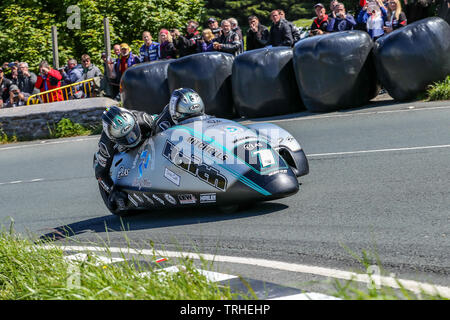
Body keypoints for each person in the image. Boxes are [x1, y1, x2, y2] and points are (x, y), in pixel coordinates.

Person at [94, 88, 205, 212]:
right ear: (113, 138)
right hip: (124, 156)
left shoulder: (144, 119)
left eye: (133, 132)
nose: (132, 138)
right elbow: (99, 173)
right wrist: (112, 190)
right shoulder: (106, 144)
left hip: (146, 148)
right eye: (125, 138)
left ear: (135, 123)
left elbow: (163, 135)